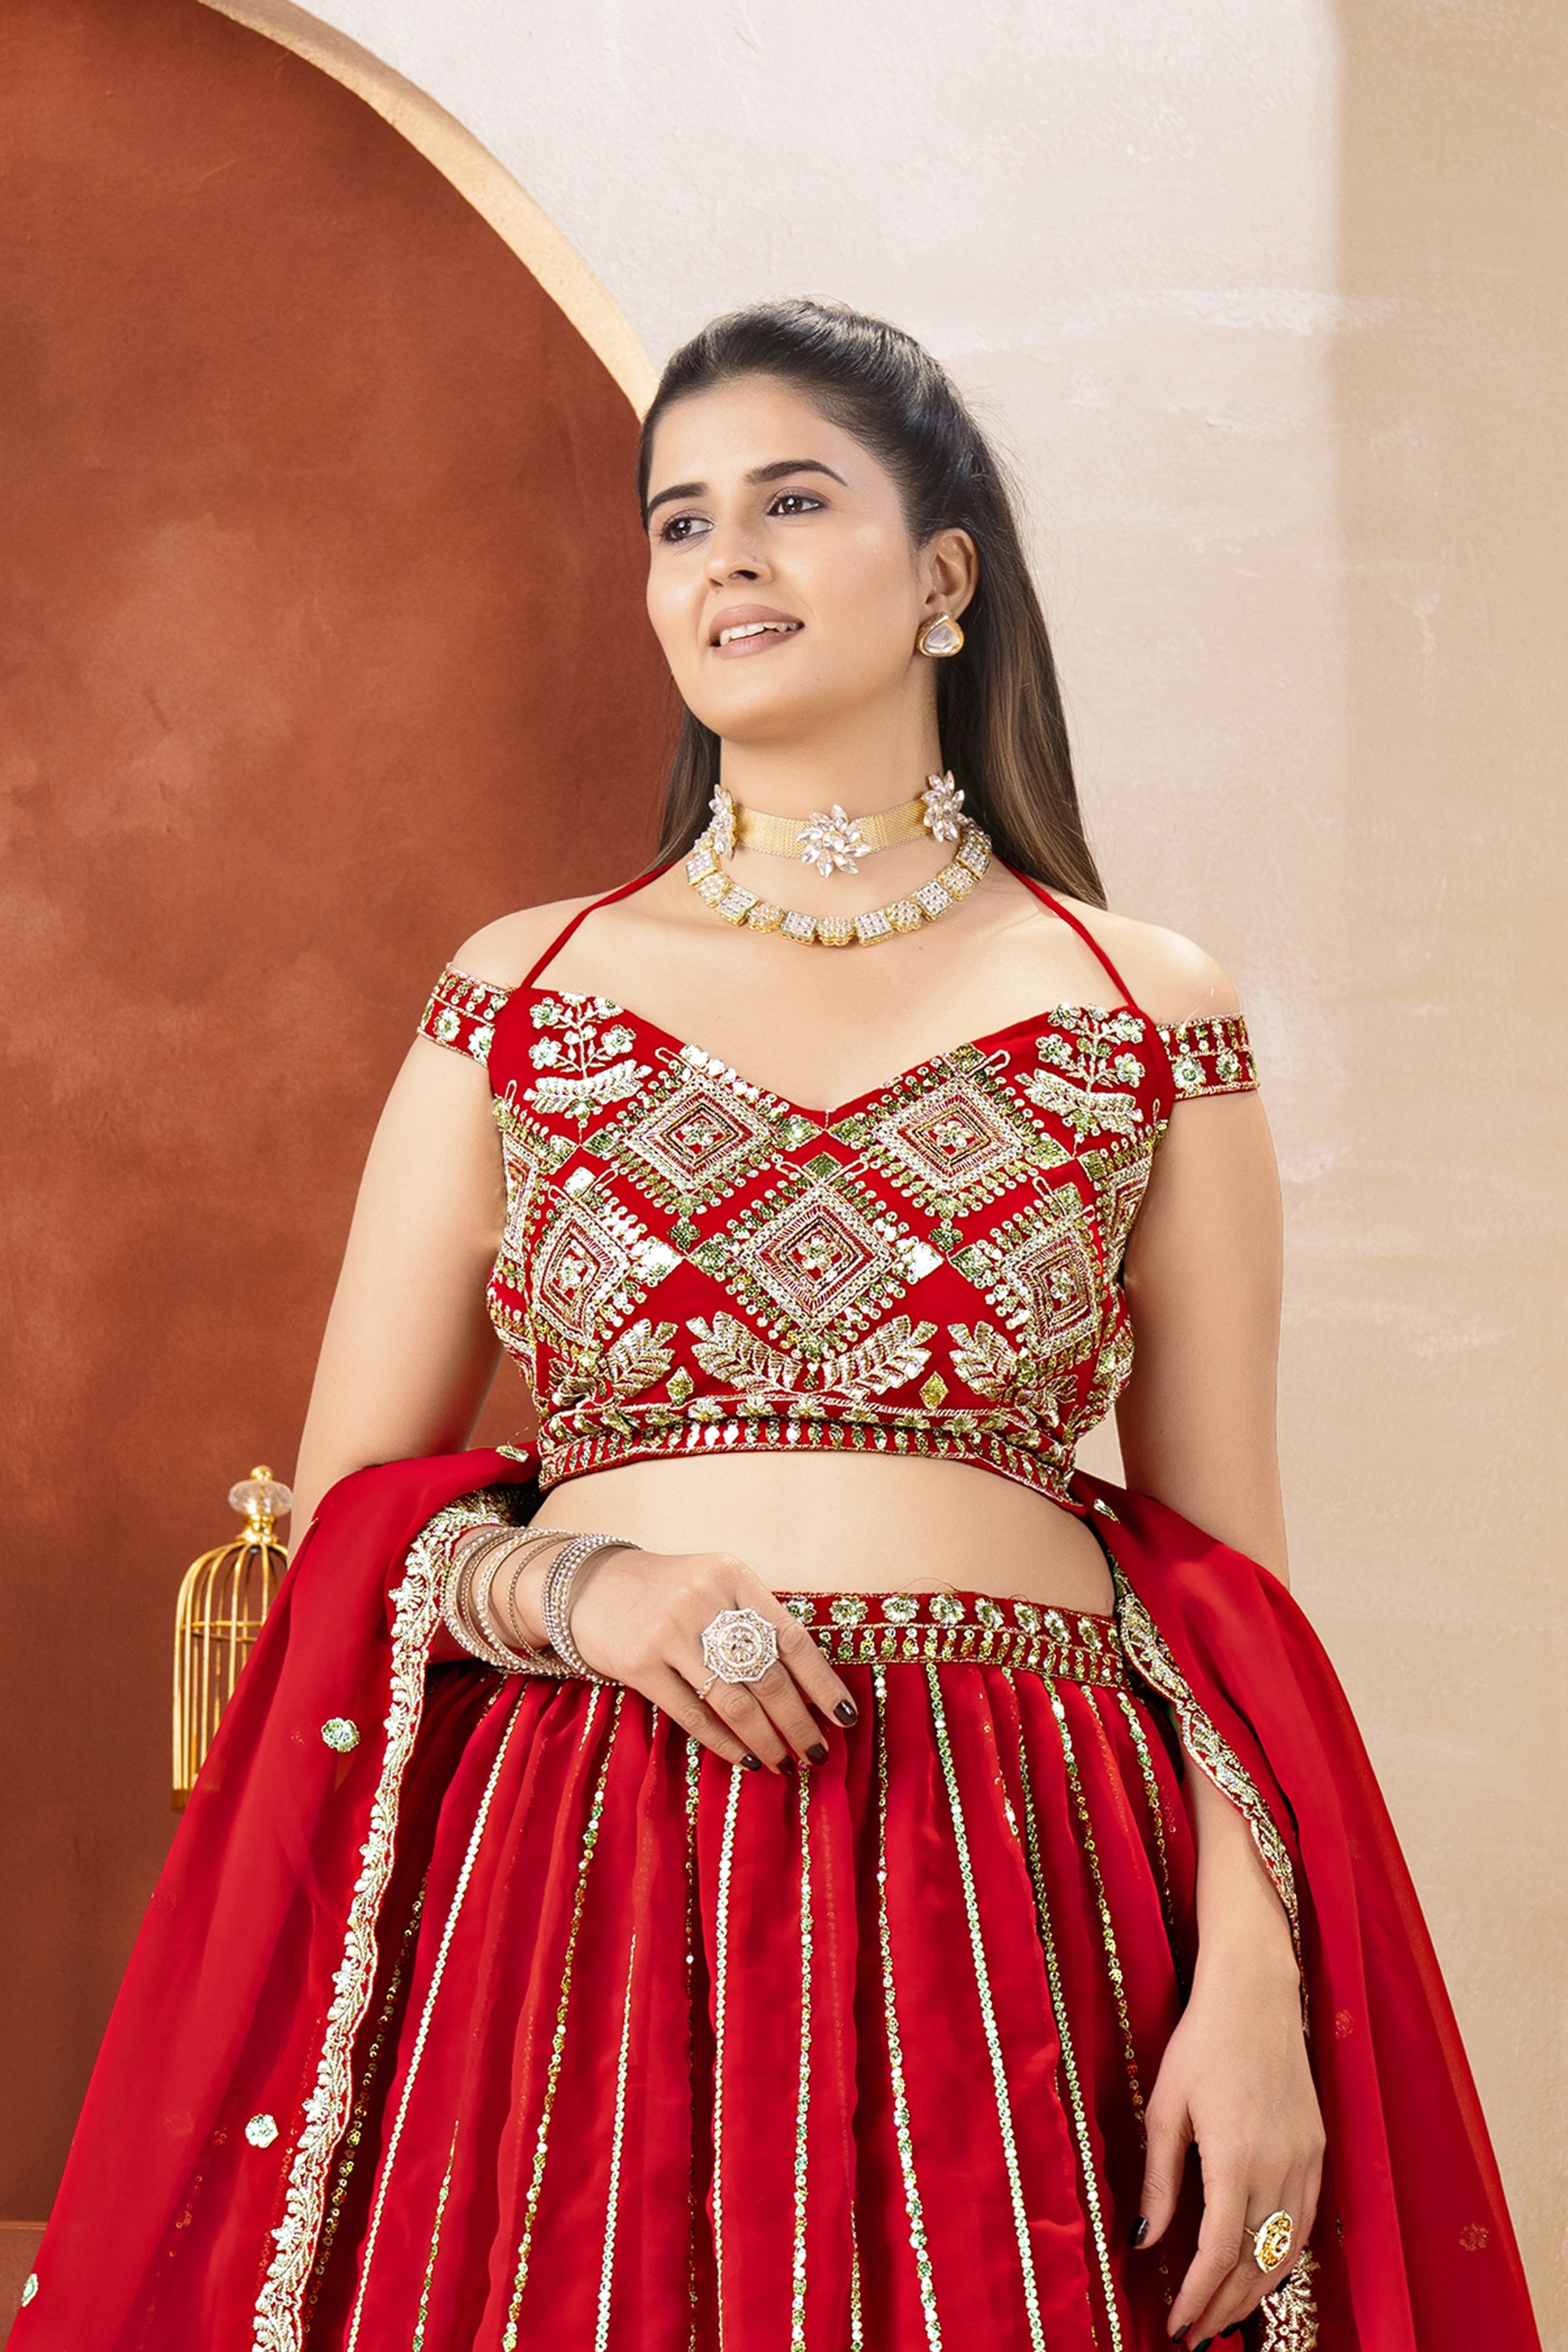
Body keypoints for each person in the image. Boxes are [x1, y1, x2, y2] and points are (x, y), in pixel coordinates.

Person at [16, 302, 1537, 2352]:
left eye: (791, 500)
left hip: (1028, 1894)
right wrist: (592, 1592)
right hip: (580, 1884)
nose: (720, 558)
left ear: (943, 577)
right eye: (679, 521)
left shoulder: (1141, 1010)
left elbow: (1230, 1588)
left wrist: (1258, 1996)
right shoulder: (524, 996)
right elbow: (349, 1522)